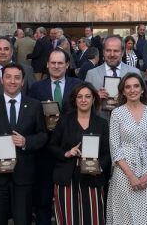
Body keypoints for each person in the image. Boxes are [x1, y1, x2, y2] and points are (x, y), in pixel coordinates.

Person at [0, 63, 48, 225]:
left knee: (23, 220)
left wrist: (26, 142)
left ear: (23, 81)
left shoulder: (34, 105)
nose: (12, 81)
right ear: (1, 80)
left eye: (17, 78)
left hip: (23, 176)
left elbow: (43, 135)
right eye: (8, 77)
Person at [28, 49, 82, 224]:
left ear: (67, 65)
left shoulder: (78, 85)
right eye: (53, 63)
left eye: (60, 63)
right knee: (43, 199)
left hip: (71, 151)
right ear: (47, 64)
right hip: (44, 151)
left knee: (72, 200)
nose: (56, 66)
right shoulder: (36, 88)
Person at [48, 82, 110, 225]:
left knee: (93, 218)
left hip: (92, 178)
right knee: (69, 219)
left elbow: (107, 153)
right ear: (74, 100)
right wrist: (67, 153)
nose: (83, 100)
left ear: (94, 99)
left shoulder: (102, 123)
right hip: (66, 177)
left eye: (87, 96)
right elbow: (52, 146)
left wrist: (99, 167)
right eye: (80, 97)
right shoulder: (64, 121)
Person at [106, 73, 147, 224]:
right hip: (125, 173)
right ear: (123, 91)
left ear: (142, 89)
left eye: (136, 86)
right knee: (125, 218)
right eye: (128, 87)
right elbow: (114, 147)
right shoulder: (117, 113)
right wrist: (131, 176)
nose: (132, 90)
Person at [84, 35, 141, 118]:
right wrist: (95, 97)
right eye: (108, 50)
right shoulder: (91, 74)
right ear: (103, 52)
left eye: (116, 51)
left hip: (127, 125)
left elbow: (142, 101)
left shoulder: (134, 72)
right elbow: (83, 102)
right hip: (100, 125)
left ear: (122, 52)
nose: (112, 54)